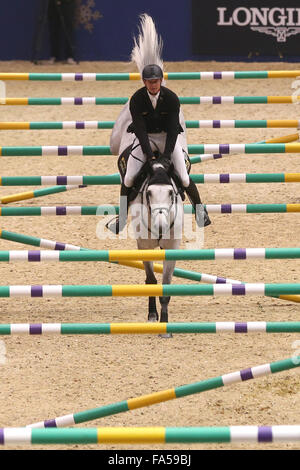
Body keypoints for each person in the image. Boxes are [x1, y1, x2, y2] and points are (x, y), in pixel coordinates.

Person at [106, 63, 211, 235]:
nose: (153, 85)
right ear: (144, 82)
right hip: (146, 138)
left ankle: (200, 211)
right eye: (149, 82)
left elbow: (173, 129)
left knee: (184, 177)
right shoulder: (137, 99)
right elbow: (139, 129)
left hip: (167, 138)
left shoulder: (171, 98)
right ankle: (122, 218)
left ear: (161, 81)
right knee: (129, 178)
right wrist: (149, 157)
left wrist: (167, 156)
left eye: (156, 81)